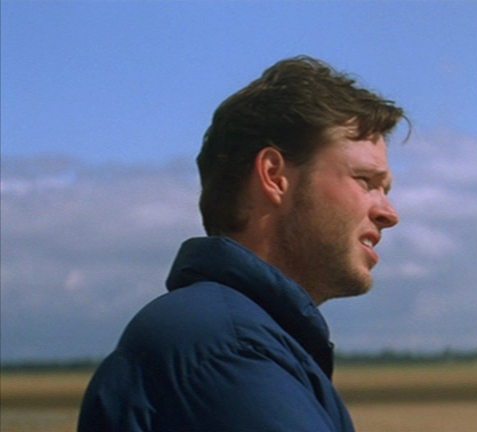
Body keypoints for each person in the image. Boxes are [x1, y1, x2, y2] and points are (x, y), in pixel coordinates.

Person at [77, 56, 404, 432]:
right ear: (274, 176)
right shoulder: (227, 348)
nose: (389, 213)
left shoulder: (236, 336)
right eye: (365, 181)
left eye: (386, 189)